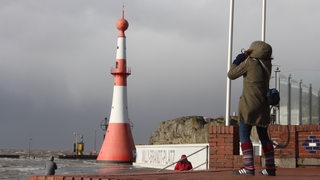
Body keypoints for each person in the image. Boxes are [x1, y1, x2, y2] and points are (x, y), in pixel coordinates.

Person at [227, 41, 276, 176]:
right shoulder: (267, 64)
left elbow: (231, 74)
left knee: (244, 135)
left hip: (248, 105)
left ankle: (248, 168)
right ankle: (270, 168)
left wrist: (238, 60)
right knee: (264, 136)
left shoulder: (250, 63)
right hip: (263, 105)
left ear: (253, 51)